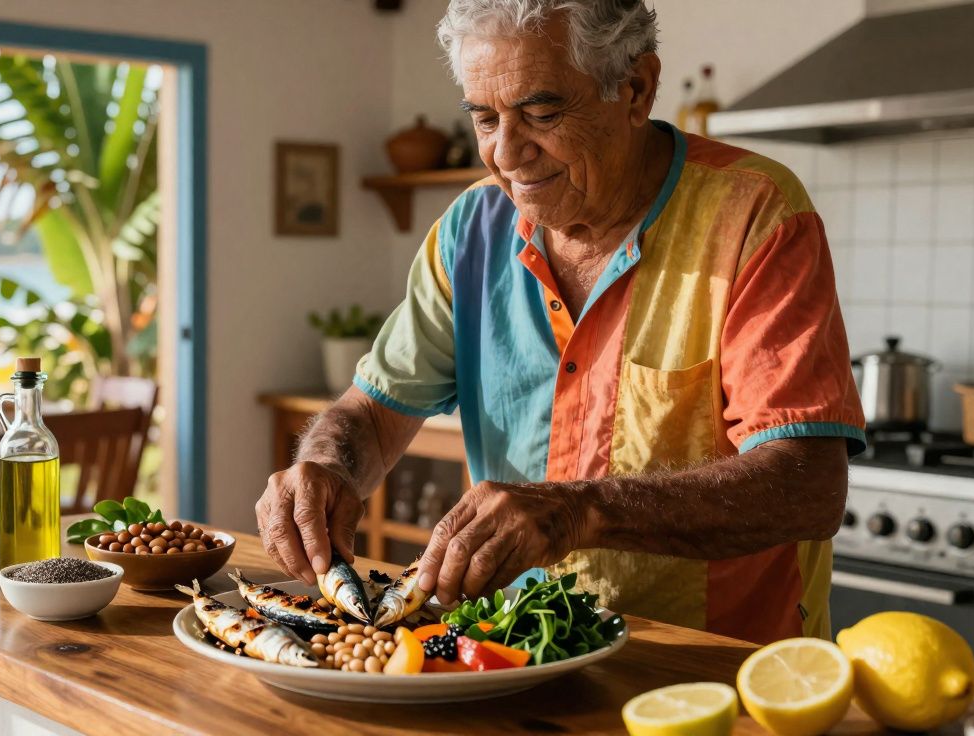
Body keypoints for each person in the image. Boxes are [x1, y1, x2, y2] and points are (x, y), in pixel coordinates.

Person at [257, 0, 865, 643]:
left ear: (636, 88)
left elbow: (808, 484)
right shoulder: (470, 230)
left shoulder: (756, 215)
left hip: (714, 667)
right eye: (484, 119)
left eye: (542, 114)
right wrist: (326, 465)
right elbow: (372, 416)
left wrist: (580, 512)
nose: (507, 154)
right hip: (510, 655)